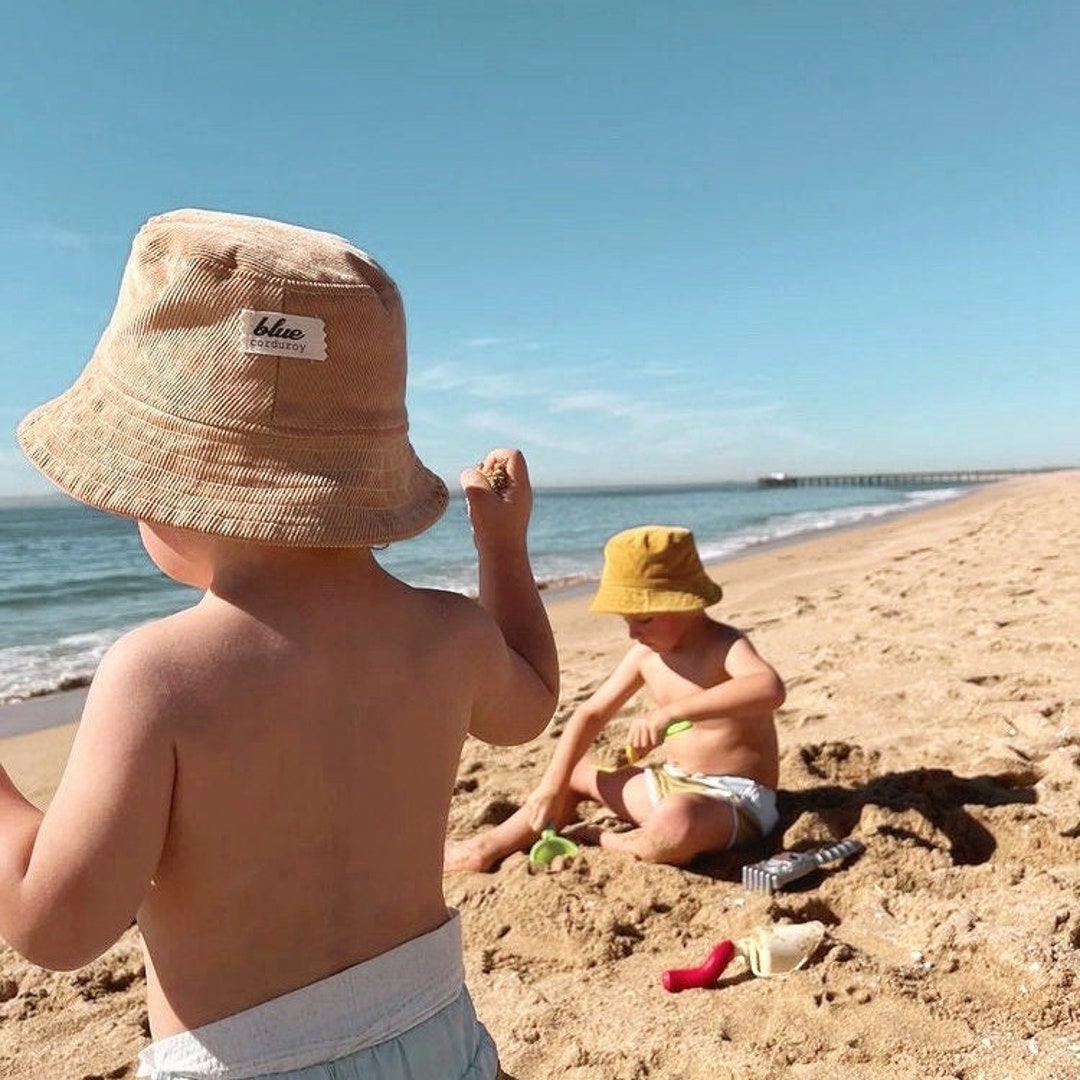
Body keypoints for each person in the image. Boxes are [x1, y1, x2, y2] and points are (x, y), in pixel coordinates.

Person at [3, 209, 559, 1080]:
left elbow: (55, 925)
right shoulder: (451, 633)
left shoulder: (159, 677)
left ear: (170, 490)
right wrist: (503, 549)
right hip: (437, 1036)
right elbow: (529, 706)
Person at [445, 525, 784, 871]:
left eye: (644, 620)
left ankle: (602, 838)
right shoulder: (645, 655)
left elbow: (768, 687)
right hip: (668, 784)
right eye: (627, 621)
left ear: (686, 603)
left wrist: (670, 713)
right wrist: (549, 785)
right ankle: (486, 847)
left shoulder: (724, 646)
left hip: (733, 800)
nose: (633, 632)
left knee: (676, 822)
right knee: (574, 774)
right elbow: (591, 713)